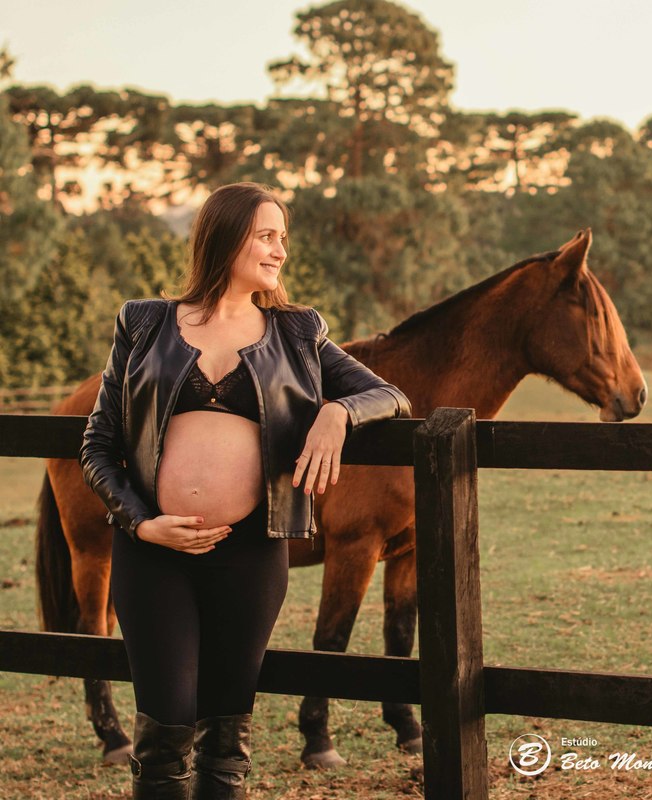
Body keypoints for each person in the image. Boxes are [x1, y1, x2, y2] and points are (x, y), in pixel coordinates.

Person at [79, 182, 411, 799]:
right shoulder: (143, 322)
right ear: (225, 237)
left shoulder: (297, 331)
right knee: (164, 732)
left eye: (282, 237)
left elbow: (389, 394)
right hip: (154, 553)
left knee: (227, 741)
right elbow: (97, 445)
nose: (279, 250)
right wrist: (140, 523)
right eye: (266, 235)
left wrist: (337, 412)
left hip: (251, 554)